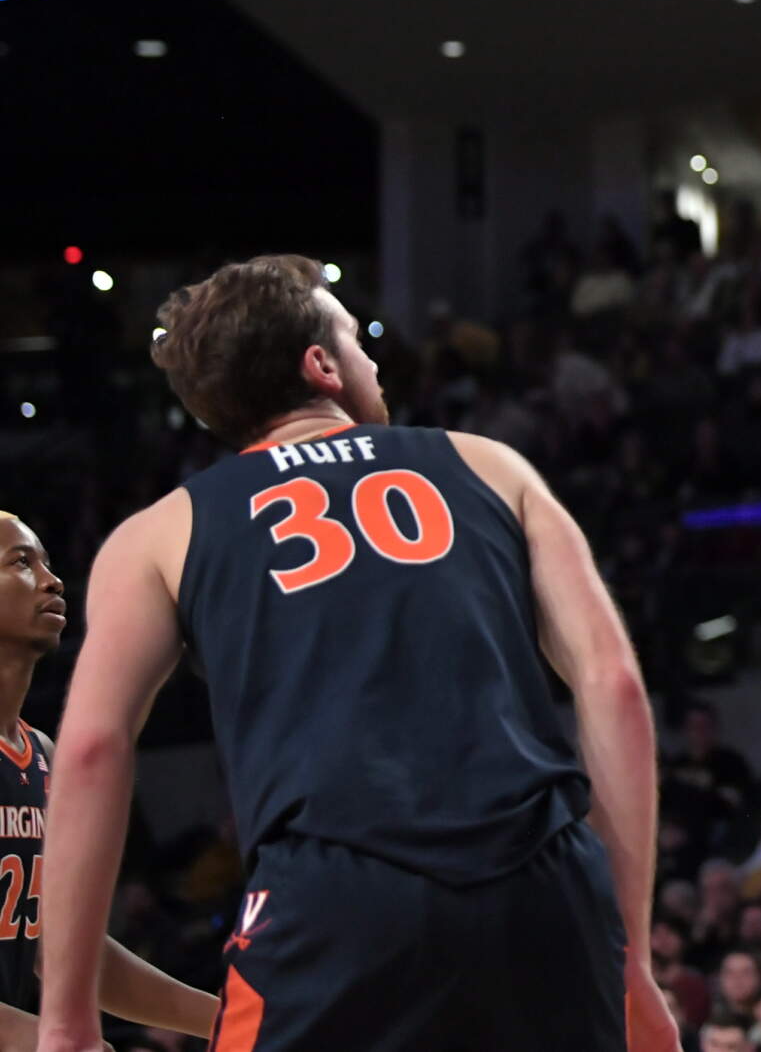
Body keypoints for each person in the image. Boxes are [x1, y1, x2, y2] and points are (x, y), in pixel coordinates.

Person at [37, 255, 675, 1052]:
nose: (374, 356)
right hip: (540, 887)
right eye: (356, 335)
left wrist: (66, 1020)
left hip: (334, 905)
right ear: (322, 364)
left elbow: (94, 748)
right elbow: (612, 684)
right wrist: (633, 959)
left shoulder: (159, 532)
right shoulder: (487, 463)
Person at [0, 515, 218, 1044]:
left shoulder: (41, 756)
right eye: (21, 562)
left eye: (48, 562)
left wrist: (233, 1021)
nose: (51, 580)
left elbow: (64, 952)